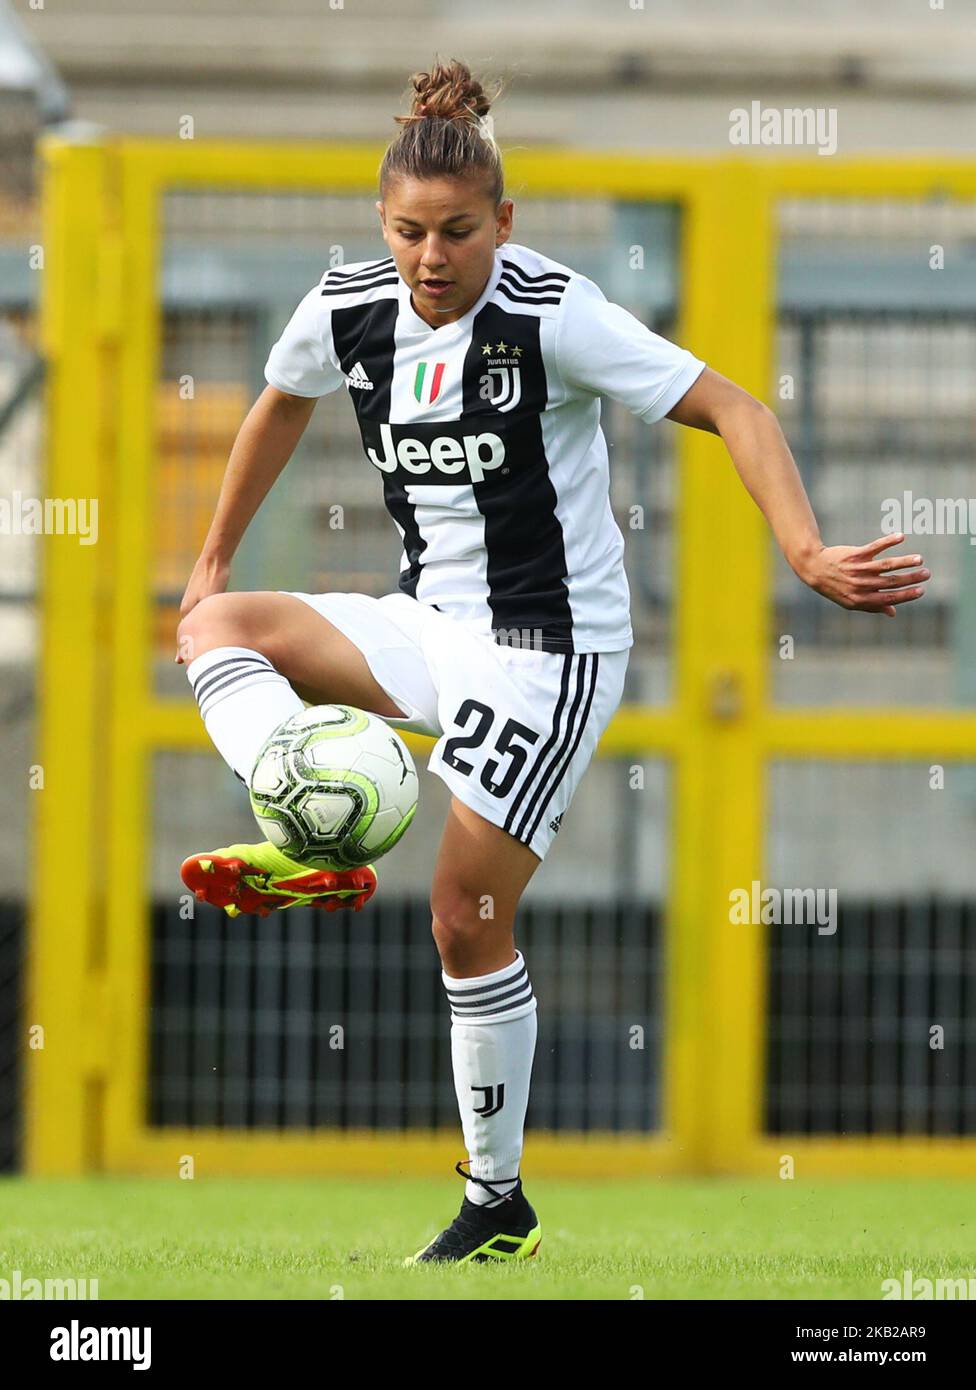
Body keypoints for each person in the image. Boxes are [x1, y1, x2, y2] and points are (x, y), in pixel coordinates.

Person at [175, 59, 930, 1264]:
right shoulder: (344, 304)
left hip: (549, 650)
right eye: (411, 232)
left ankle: (495, 1198)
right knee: (212, 628)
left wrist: (805, 548)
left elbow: (738, 405)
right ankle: (314, 830)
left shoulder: (550, 311)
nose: (433, 258)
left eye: (459, 233)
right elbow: (277, 399)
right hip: (430, 621)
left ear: (503, 223)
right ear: (383, 225)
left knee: (466, 915)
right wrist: (211, 559)